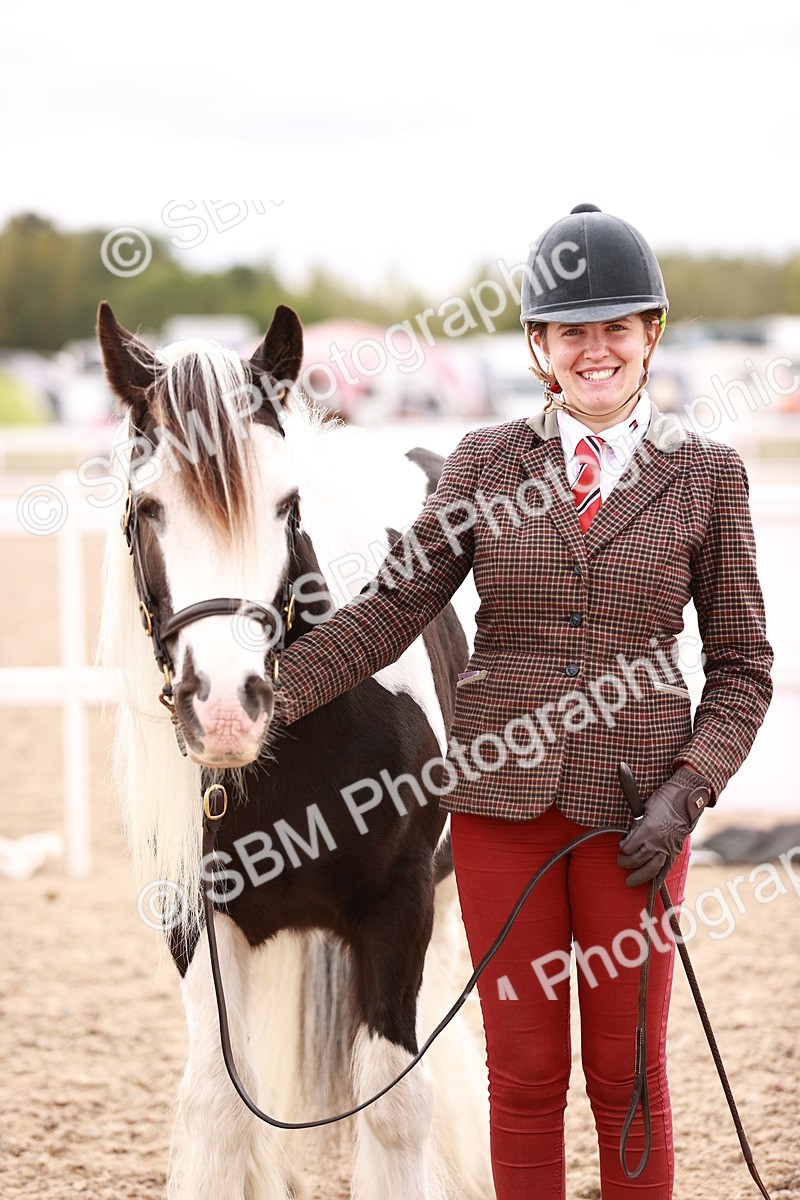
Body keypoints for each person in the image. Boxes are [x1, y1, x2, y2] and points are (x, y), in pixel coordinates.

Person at [270, 204, 773, 1199]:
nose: (595, 349)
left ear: (649, 335)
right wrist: (273, 691)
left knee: (627, 1076)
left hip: (635, 815)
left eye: (614, 327)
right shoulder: (483, 463)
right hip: (501, 812)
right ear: (538, 345)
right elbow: (397, 605)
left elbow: (741, 667)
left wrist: (687, 792)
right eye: (570, 330)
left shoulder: (705, 476)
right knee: (526, 1074)